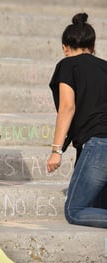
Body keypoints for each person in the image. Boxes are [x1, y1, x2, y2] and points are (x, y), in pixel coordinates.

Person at [47, 13, 107, 228]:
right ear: (93, 46)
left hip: (99, 144)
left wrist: (56, 150)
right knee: (99, 206)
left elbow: (67, 107)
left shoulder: (68, 65)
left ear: (65, 47)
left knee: (75, 210)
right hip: (98, 143)